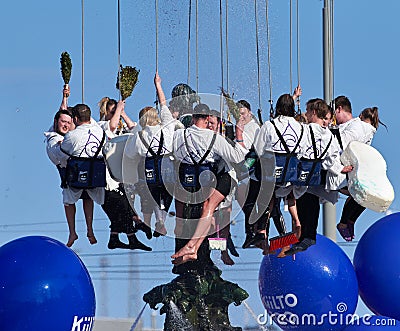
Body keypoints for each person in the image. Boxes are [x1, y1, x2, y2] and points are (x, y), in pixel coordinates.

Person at [171, 103, 247, 265]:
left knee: (210, 209)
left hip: (208, 179)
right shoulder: (214, 138)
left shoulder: (179, 135)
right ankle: (193, 248)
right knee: (210, 210)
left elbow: (171, 153)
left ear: (192, 118)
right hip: (213, 179)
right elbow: (239, 157)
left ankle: (193, 246)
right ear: (206, 119)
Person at [283, 98, 352, 255]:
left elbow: (294, 149)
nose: (306, 114)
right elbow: (331, 160)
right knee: (310, 198)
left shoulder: (303, 130)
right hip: (317, 175)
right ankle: (307, 235)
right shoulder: (329, 136)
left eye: (307, 111)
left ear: (314, 112)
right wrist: (341, 169)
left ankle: (266, 232)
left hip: (300, 174)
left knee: (294, 196)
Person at [124, 72, 175, 238]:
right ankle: (161, 220)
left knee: (150, 195)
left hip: (148, 167)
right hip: (166, 165)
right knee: (167, 194)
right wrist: (158, 85)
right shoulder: (166, 126)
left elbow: (131, 155)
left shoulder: (138, 135)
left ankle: (153, 220)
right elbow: (164, 104)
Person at [252, 91, 304, 254]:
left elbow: (258, 150)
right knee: (289, 196)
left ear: (278, 109)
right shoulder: (300, 127)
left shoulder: (269, 125)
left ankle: (262, 233)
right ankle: (295, 225)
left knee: (268, 195)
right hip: (292, 178)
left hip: (271, 177)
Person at [97, 97, 152, 251]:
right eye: (112, 111)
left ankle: (119, 236)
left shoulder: (120, 124)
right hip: (109, 175)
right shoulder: (101, 126)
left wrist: (123, 114)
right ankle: (135, 228)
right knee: (121, 205)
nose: (116, 114)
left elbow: (135, 129)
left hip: (124, 173)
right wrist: (119, 109)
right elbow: (111, 126)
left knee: (124, 205)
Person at [59, 103, 106, 247]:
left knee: (68, 201)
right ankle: (90, 229)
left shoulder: (72, 135)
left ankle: (72, 231)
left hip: (76, 177)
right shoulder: (100, 131)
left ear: (75, 118)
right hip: (95, 177)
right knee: (88, 196)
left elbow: (62, 151)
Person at [334, 104, 382, 241]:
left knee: (361, 194)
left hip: (346, 167)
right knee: (363, 195)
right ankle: (348, 221)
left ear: (361, 116)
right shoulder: (369, 130)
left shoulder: (360, 126)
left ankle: (346, 222)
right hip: (348, 169)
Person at [207, 111, 240, 265]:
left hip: (226, 179)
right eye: (208, 123)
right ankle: (212, 249)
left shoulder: (225, 138)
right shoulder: (204, 138)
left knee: (224, 218)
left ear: (219, 124)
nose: (209, 126)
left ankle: (223, 251)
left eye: (212, 123)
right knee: (212, 220)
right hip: (210, 181)